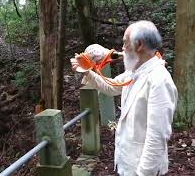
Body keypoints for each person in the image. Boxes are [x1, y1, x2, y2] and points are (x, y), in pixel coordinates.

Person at [71, 20, 178, 176]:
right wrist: (87, 71)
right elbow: (111, 87)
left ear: (139, 45)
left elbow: (157, 137)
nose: (122, 49)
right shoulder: (135, 72)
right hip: (129, 162)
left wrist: (144, 173)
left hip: (143, 169)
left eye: (125, 43)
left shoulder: (159, 80)